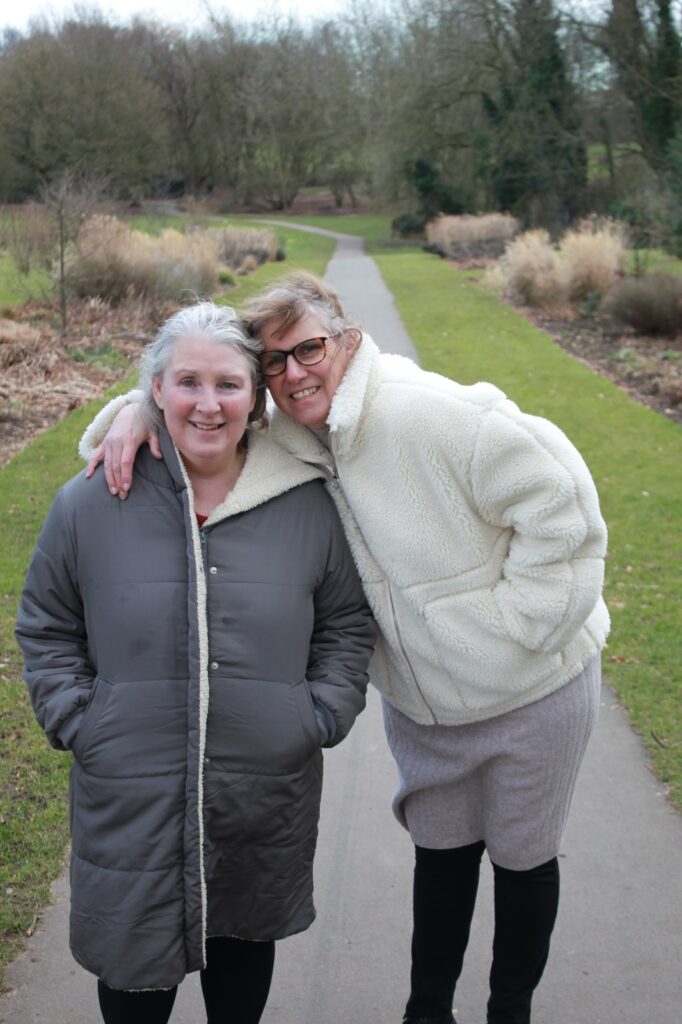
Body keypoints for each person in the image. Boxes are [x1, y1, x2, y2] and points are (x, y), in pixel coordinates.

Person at [81, 272, 610, 1024]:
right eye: (275, 361)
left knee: (524, 859)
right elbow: (205, 410)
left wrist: (505, 634)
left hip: (535, 690)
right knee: (442, 856)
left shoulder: (430, 414)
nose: (293, 373)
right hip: (428, 706)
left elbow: (562, 506)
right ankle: (427, 1011)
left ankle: (509, 1010)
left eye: (310, 349)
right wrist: (138, 408)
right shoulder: (298, 432)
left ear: (348, 341)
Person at [15, 301, 375, 1024]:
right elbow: (47, 626)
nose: (208, 405)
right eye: (188, 382)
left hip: (262, 792)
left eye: (228, 384)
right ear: (155, 391)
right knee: (133, 972)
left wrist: (318, 715)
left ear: (257, 398)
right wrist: (83, 719)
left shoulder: (306, 505)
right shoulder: (90, 502)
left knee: (242, 955)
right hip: (131, 795)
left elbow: (344, 623)